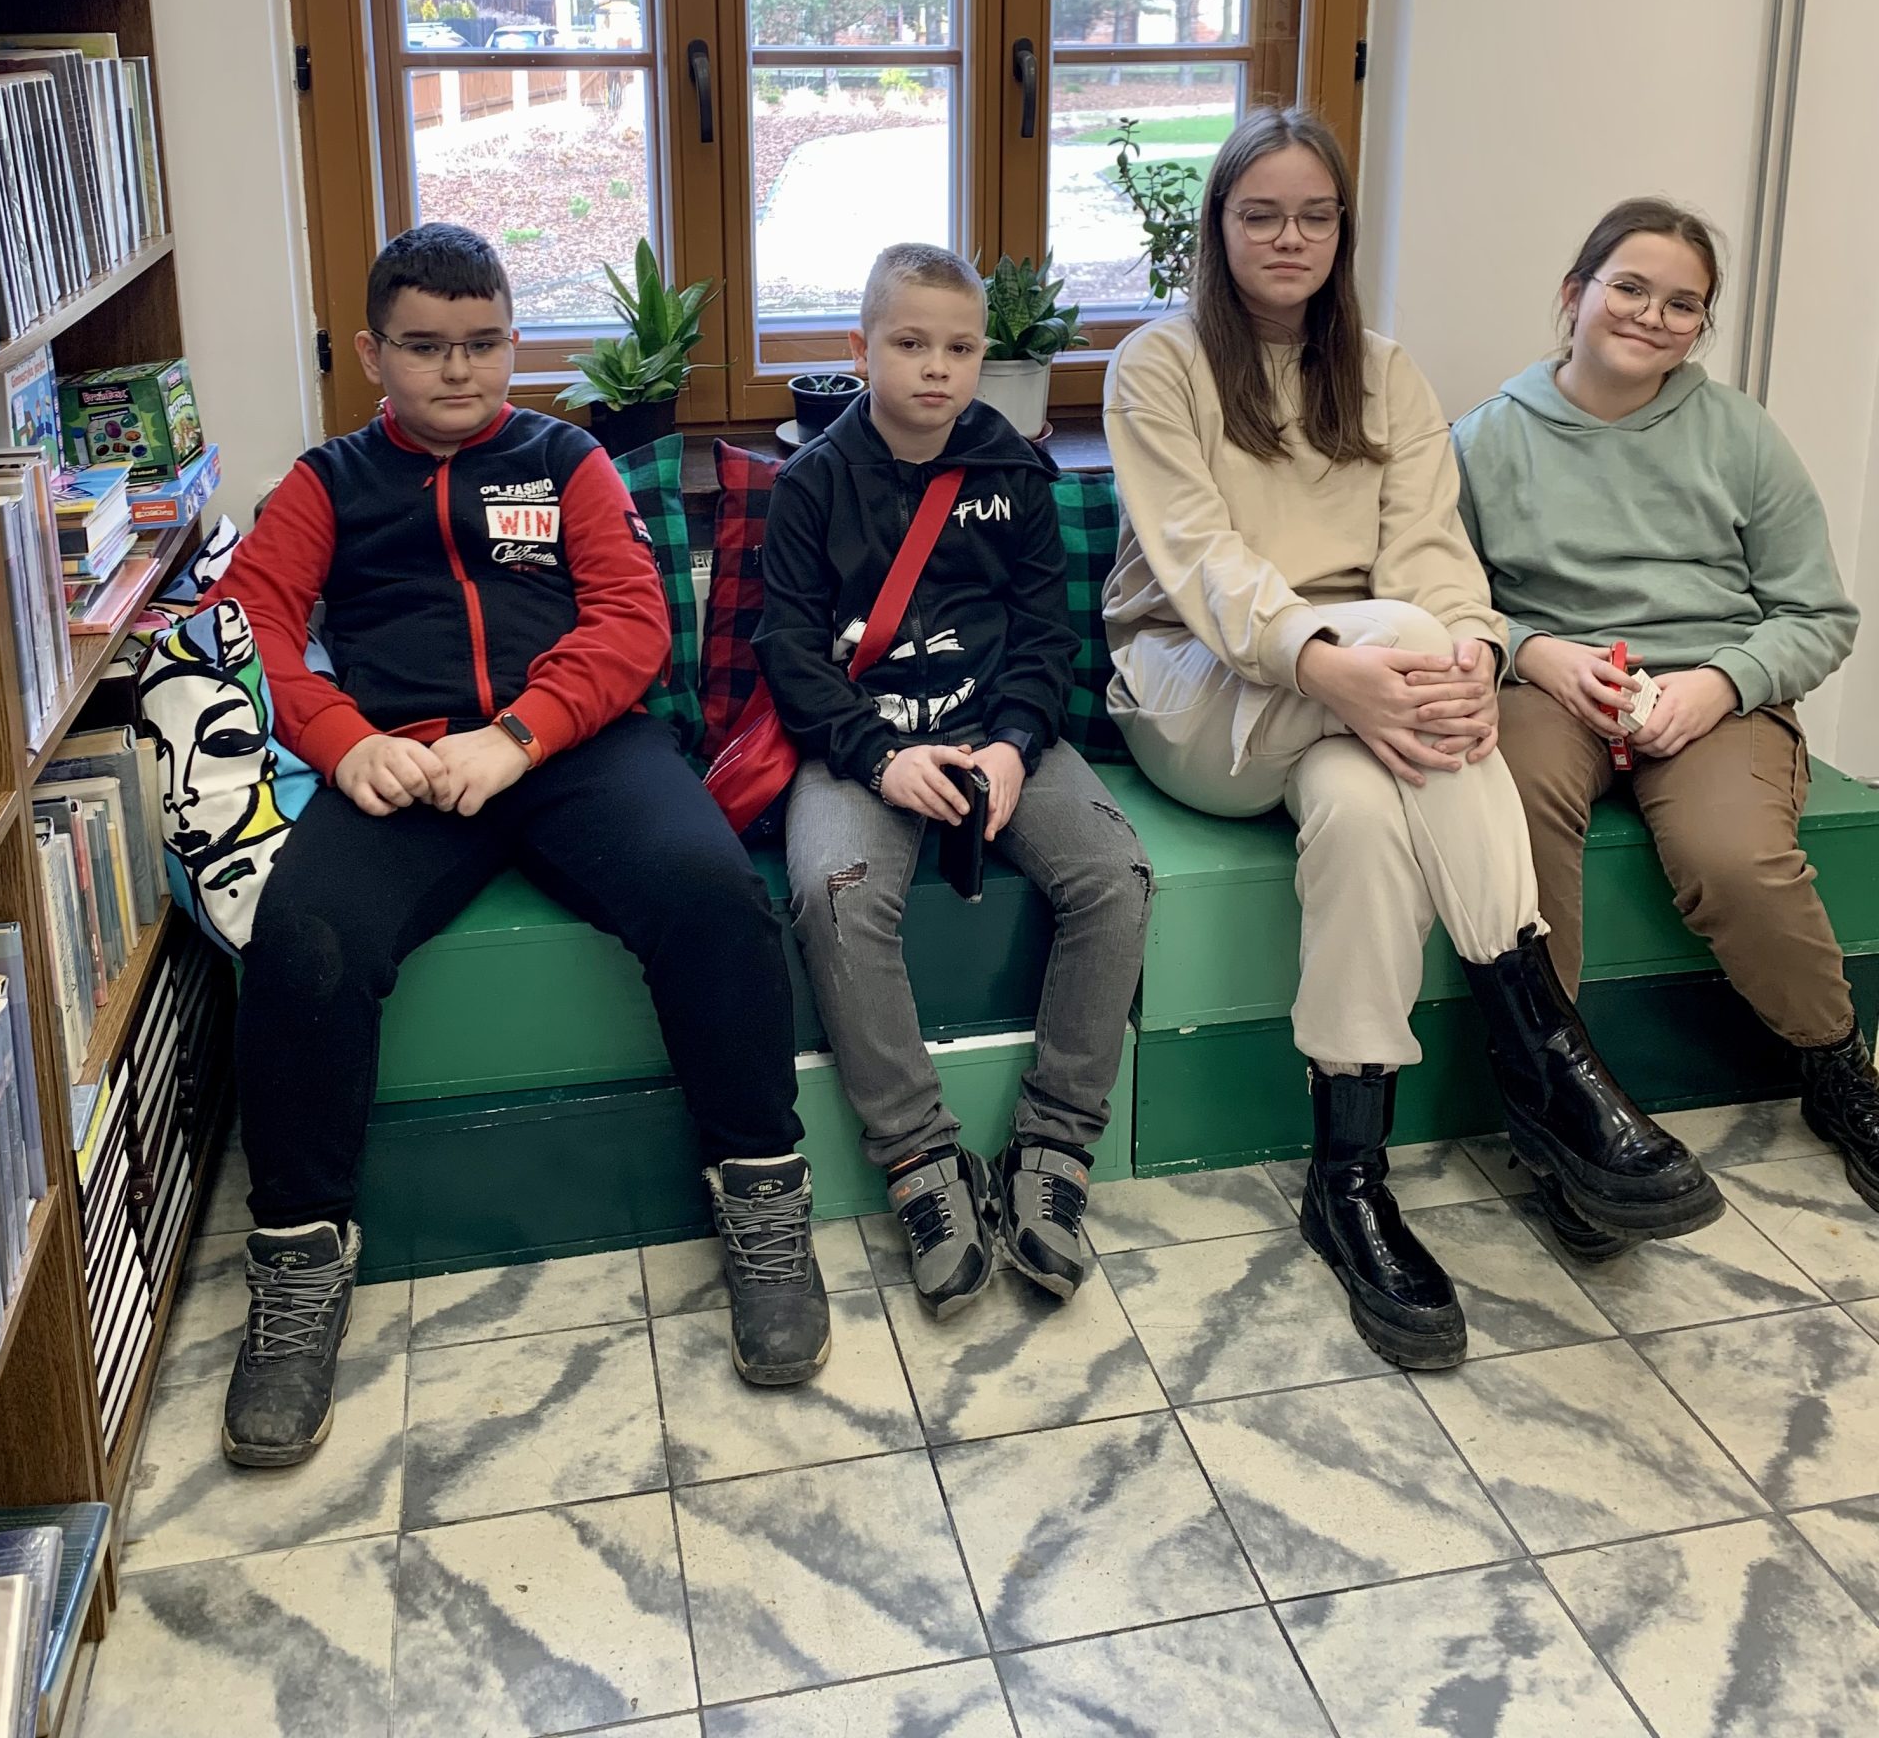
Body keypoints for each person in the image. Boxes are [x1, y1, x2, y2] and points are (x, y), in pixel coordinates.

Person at [1102, 108, 1719, 1372]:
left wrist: (1475, 658)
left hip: (1362, 706)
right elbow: (1205, 567)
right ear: (1219, 226)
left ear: (1343, 229)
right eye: (1260, 213)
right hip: (1197, 684)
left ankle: (1350, 1177)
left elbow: (1436, 555)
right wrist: (1344, 662)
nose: (1289, 236)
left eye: (1314, 215)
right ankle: (1547, 1050)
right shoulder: (1158, 365)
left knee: (1364, 809)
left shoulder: (1386, 374)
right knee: (1399, 636)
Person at [207, 223, 829, 1467]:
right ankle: (299, 1256)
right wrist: (340, 739)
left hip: (574, 748)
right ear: (372, 353)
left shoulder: (567, 459)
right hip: (402, 761)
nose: (457, 369)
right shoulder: (325, 482)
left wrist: (522, 735)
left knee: (712, 893)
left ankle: (763, 1192)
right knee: (304, 938)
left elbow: (632, 621)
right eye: (425, 346)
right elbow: (250, 623)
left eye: (483, 342)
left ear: (513, 343)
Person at [1454, 196, 1873, 1236]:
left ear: (1699, 327)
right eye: (1630, 287)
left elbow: (1819, 614)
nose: (1651, 315)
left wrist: (1721, 683)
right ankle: (1562, 1107)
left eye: (1682, 304)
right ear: (1575, 293)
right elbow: (1442, 599)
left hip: (1712, 691)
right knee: (1511, 817)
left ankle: (1836, 1067)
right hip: (1552, 688)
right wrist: (1532, 652)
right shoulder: (1484, 440)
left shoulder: (1740, 434)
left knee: (1734, 858)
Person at [755, 243, 1151, 1315]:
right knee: (837, 894)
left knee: (1116, 878)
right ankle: (921, 1159)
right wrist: (881, 758)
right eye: (910, 343)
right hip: (862, 747)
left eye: (961, 348)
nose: (937, 367)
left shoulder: (1013, 471)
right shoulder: (812, 484)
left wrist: (1016, 743)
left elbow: (1045, 635)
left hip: (1000, 737)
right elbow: (789, 651)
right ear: (860, 349)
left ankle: (1054, 1146)